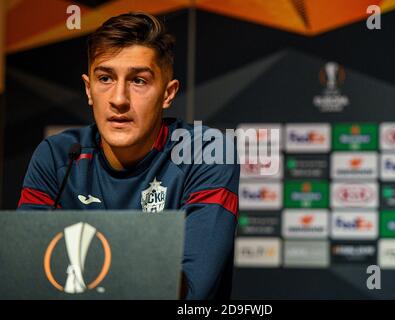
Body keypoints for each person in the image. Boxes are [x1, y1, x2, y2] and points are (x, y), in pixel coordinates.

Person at [17, 12, 239, 300]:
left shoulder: (208, 154)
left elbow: (189, 294)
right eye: (105, 78)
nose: (119, 99)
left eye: (139, 81)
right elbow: (24, 279)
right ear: (88, 89)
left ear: (168, 93)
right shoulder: (58, 156)